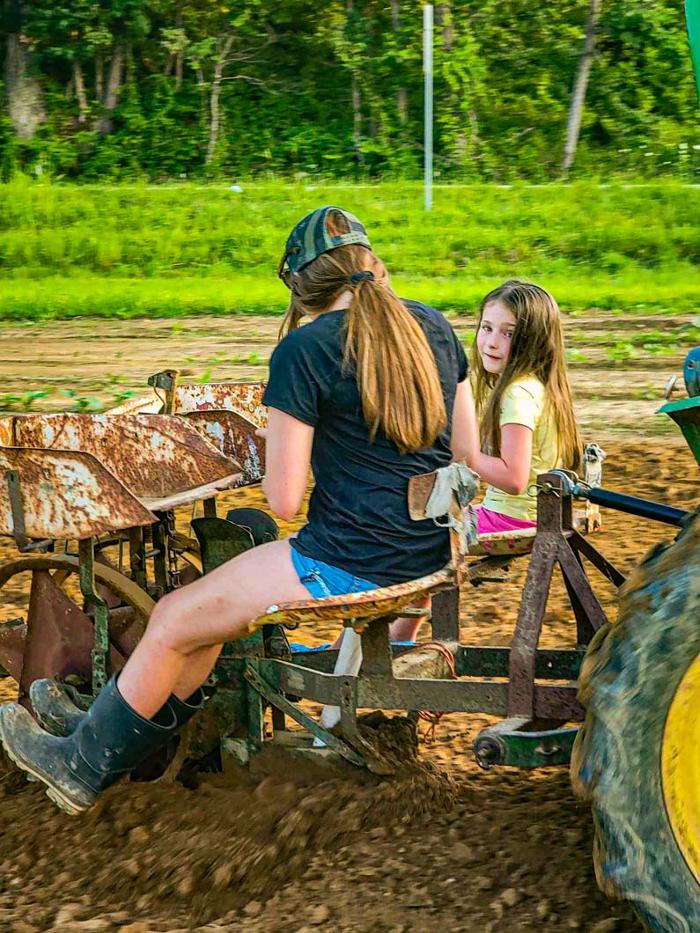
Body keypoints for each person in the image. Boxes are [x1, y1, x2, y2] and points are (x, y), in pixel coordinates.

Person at [0, 205, 478, 814]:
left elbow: (281, 500)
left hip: (350, 558)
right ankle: (106, 731)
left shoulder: (304, 351)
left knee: (173, 616)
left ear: (301, 290)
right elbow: (466, 454)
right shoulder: (433, 329)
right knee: (203, 627)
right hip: (431, 548)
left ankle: (78, 767)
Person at [464, 279, 582, 534]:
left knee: (413, 531)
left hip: (508, 518)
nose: (492, 342)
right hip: (522, 513)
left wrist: (464, 454)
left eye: (509, 333)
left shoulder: (518, 393)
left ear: (534, 341)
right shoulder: (536, 384)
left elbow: (513, 479)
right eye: (486, 328)